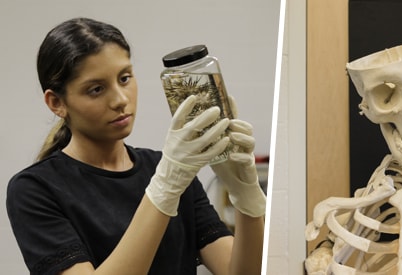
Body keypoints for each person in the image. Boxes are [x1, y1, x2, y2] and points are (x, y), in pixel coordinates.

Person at [6, 17, 267, 275]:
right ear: (56, 103)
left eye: (124, 78)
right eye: (96, 89)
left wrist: (245, 197)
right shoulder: (34, 190)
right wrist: (165, 186)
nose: (120, 100)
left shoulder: (168, 169)